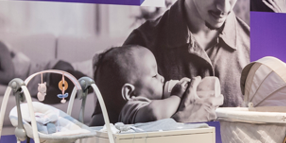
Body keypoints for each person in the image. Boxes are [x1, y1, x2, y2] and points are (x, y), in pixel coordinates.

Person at [92, 44, 223, 125]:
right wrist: (177, 96)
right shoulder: (131, 107)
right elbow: (154, 113)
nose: (162, 78)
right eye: (154, 75)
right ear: (130, 93)